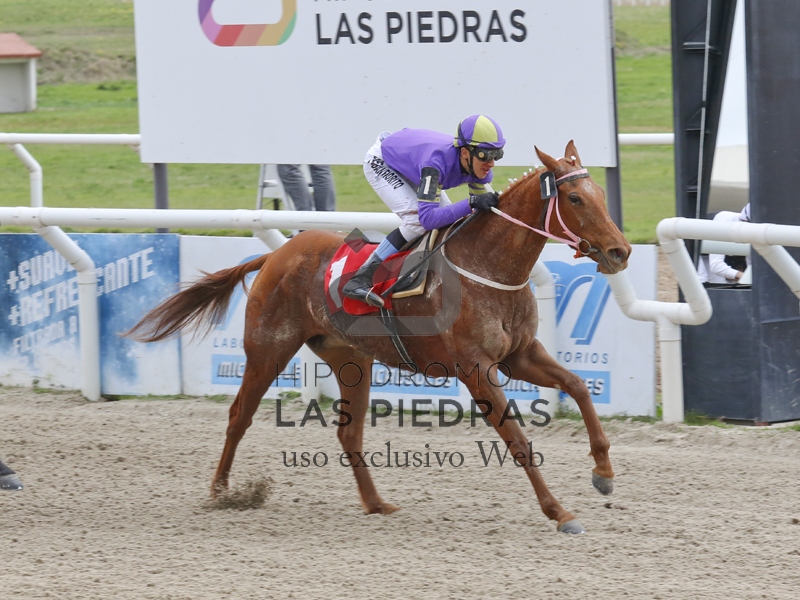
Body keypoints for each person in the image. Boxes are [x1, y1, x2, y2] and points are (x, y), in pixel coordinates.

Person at [344, 114, 505, 307]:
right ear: (464, 152)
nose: (491, 163)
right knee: (416, 221)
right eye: (485, 155)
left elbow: (484, 213)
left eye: (497, 154)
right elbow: (427, 219)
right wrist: (471, 203)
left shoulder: (480, 169)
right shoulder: (436, 163)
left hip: (413, 163)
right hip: (383, 162)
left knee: (450, 221)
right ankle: (360, 278)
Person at [697, 203, 751, 284]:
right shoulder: (723, 222)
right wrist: (746, 277)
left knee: (719, 283)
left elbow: (752, 265)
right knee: (701, 280)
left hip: (709, 253)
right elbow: (716, 266)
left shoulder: (751, 228)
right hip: (690, 247)